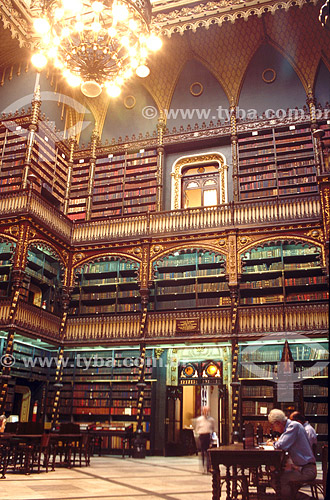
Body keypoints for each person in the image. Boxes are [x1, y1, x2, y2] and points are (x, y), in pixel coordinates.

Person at [267, 409, 316, 500]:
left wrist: (272, 444)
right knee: (276, 479)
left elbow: (281, 445)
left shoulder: (293, 426)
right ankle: (299, 497)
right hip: (302, 467)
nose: (273, 429)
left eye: (273, 426)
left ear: (278, 423)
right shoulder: (291, 426)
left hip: (306, 470)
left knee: (278, 481)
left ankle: (306, 498)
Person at [194, 406, 215, 473]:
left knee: (208, 452)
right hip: (202, 436)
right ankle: (203, 467)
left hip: (208, 435)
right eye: (204, 411)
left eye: (207, 411)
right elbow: (197, 428)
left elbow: (213, 428)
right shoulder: (199, 420)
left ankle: (208, 467)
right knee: (202, 452)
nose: (205, 412)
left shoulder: (211, 420)